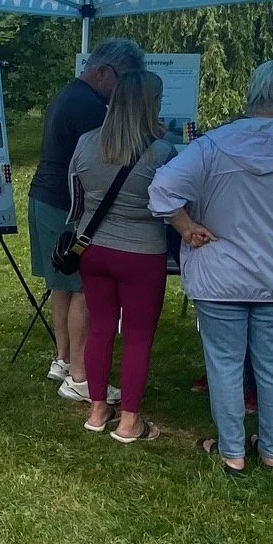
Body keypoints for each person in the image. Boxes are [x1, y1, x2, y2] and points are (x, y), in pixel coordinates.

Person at [150, 60, 273, 477]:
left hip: (220, 277)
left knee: (225, 364)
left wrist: (186, 226)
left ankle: (232, 454)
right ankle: (270, 452)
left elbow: (161, 188)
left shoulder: (211, 146)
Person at [30, 39, 144, 401]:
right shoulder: (91, 107)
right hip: (68, 205)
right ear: (103, 72)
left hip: (48, 198)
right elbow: (108, 156)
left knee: (64, 283)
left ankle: (64, 359)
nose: (127, 88)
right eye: (126, 78)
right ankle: (80, 377)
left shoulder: (70, 94)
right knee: (83, 287)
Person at [68, 69, 178, 444]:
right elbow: (175, 204)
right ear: (150, 106)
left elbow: (76, 199)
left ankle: (97, 410)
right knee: (138, 336)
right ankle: (130, 421)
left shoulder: (85, 143)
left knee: (100, 328)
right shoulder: (162, 152)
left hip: (93, 247)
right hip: (142, 252)